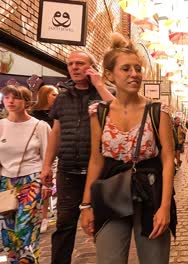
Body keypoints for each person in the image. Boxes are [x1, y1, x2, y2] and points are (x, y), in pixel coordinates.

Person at [79, 32, 175, 263]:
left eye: (138, 68)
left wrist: (165, 207)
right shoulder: (99, 113)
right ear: (109, 75)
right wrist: (85, 205)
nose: (134, 74)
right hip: (111, 191)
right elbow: (96, 160)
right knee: (109, 259)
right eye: (126, 69)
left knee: (154, 259)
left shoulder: (157, 111)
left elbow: (168, 159)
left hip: (149, 191)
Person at [39, 50, 114, 264]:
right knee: (64, 224)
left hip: (101, 171)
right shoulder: (62, 97)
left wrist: (100, 85)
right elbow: (56, 132)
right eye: (71, 64)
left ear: (91, 67)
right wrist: (47, 165)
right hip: (68, 170)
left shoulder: (104, 92)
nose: (74, 67)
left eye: (80, 63)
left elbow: (120, 112)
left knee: (103, 223)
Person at [0, 85, 51, 263]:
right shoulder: (1, 126)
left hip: (32, 179)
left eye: (16, 97)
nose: (10, 101)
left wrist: (46, 184)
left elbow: (48, 157)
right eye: (6, 97)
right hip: (5, 182)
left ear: (27, 101)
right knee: (7, 231)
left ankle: (28, 260)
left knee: (25, 228)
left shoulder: (39, 126)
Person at [30, 84, 59, 233]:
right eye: (53, 94)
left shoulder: (58, 113)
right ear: (45, 95)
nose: (56, 96)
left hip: (54, 152)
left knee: (46, 185)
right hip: (36, 153)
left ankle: (45, 216)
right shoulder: (34, 115)